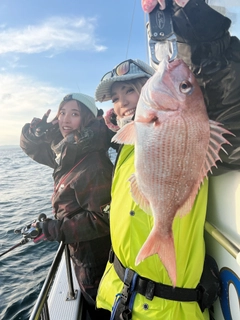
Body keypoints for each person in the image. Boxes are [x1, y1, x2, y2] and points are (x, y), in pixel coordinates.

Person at [94, 2, 240, 320]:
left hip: (169, 311)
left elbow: (227, 95)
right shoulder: (124, 146)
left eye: (130, 90)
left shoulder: (195, 130)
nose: (122, 103)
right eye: (116, 98)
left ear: (149, 86)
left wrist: (194, 17)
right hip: (113, 300)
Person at [20, 93, 114, 319]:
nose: (65, 120)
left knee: (100, 310)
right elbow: (33, 150)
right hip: (81, 255)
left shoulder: (93, 162)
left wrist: (53, 229)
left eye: (74, 114)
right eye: (62, 113)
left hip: (95, 261)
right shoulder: (68, 152)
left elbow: (102, 220)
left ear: (88, 120)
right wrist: (37, 133)